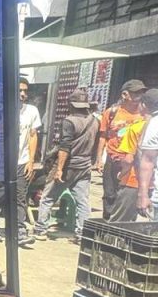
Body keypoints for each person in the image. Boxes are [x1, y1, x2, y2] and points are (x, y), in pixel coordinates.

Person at [33, 89, 98, 243]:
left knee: (47, 198)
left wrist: (59, 169)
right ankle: (82, 234)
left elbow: (64, 148)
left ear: (71, 105)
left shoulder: (69, 121)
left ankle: (41, 229)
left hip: (68, 166)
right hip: (84, 166)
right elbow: (95, 144)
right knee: (82, 202)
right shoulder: (95, 121)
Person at [0, 77, 39, 247]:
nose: (23, 94)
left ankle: (19, 231)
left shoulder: (32, 111)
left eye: (25, 91)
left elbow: (33, 136)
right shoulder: (0, 110)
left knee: (20, 196)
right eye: (19, 90)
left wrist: (31, 161)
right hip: (2, 162)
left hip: (21, 162)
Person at [97, 79, 148, 220]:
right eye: (136, 93)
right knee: (110, 194)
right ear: (125, 94)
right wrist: (99, 159)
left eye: (141, 93)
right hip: (113, 159)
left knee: (128, 195)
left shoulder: (144, 114)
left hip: (133, 161)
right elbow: (103, 136)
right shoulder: (111, 112)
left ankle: (125, 224)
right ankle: (108, 222)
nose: (139, 96)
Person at [110, 89, 158, 222]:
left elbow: (128, 159)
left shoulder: (136, 128)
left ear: (143, 106)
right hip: (152, 184)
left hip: (133, 180)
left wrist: (121, 174)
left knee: (120, 222)